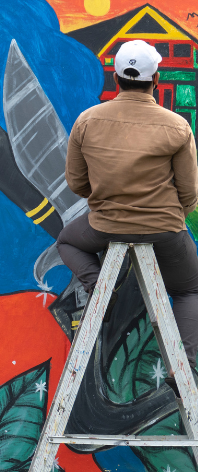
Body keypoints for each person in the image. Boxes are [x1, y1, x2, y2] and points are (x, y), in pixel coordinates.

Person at [59, 39, 198, 383]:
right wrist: (167, 217)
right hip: (165, 229)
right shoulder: (177, 126)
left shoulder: (87, 121)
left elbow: (77, 183)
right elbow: (190, 193)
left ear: (116, 78)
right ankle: (185, 368)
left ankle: (101, 287)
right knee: (189, 290)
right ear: (156, 79)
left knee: (68, 241)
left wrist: (108, 201)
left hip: (106, 226)